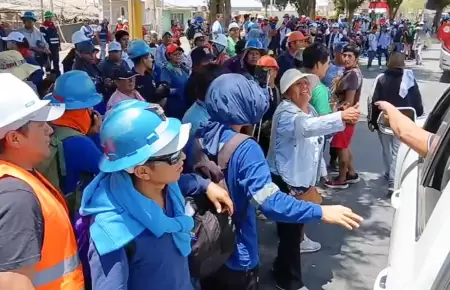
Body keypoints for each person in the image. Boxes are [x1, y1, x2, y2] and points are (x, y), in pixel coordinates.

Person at [186, 74, 363, 290]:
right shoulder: (245, 148)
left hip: (204, 245)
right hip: (236, 252)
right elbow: (270, 204)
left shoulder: (200, 134)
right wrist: (321, 212)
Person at [80, 100, 233, 290]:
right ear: (142, 171)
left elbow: (183, 182)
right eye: (174, 155)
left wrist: (206, 185)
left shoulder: (165, 186)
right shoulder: (112, 233)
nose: (183, 157)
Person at [267, 69, 360, 290]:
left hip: (300, 178)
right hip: (287, 179)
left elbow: (317, 139)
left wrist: (320, 173)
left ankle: (281, 267)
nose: (305, 87)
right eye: (298, 84)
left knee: (293, 230)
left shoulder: (309, 109)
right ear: (287, 92)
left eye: (306, 83)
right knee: (290, 234)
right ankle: (289, 281)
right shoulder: (287, 113)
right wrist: (339, 118)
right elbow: (306, 128)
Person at [0, 73, 84, 289]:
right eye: (40, 124)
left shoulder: (18, 179)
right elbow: (13, 283)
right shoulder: (15, 195)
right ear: (14, 138)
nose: (49, 129)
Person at [368, 52, 423, 196]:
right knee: (397, 151)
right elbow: (417, 99)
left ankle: (390, 176)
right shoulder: (409, 78)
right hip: (404, 120)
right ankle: (393, 178)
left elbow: (374, 101)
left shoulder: (381, 78)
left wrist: (372, 121)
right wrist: (418, 113)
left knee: (386, 149)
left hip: (384, 121)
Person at [326, 44, 362, 189]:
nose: (346, 59)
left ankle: (342, 179)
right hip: (347, 114)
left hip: (346, 115)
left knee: (341, 148)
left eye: (350, 56)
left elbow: (349, 101)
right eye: (344, 55)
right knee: (345, 146)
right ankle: (351, 173)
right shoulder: (351, 72)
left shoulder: (352, 74)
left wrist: (337, 112)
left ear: (356, 58)